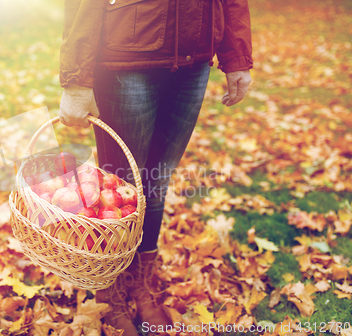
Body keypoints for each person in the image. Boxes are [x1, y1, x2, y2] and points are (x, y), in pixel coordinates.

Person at [59, 0, 252, 334]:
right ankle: (109, 286)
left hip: (196, 54)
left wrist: (236, 54)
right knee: (119, 189)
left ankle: (140, 282)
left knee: (157, 183)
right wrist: (77, 76)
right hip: (126, 54)